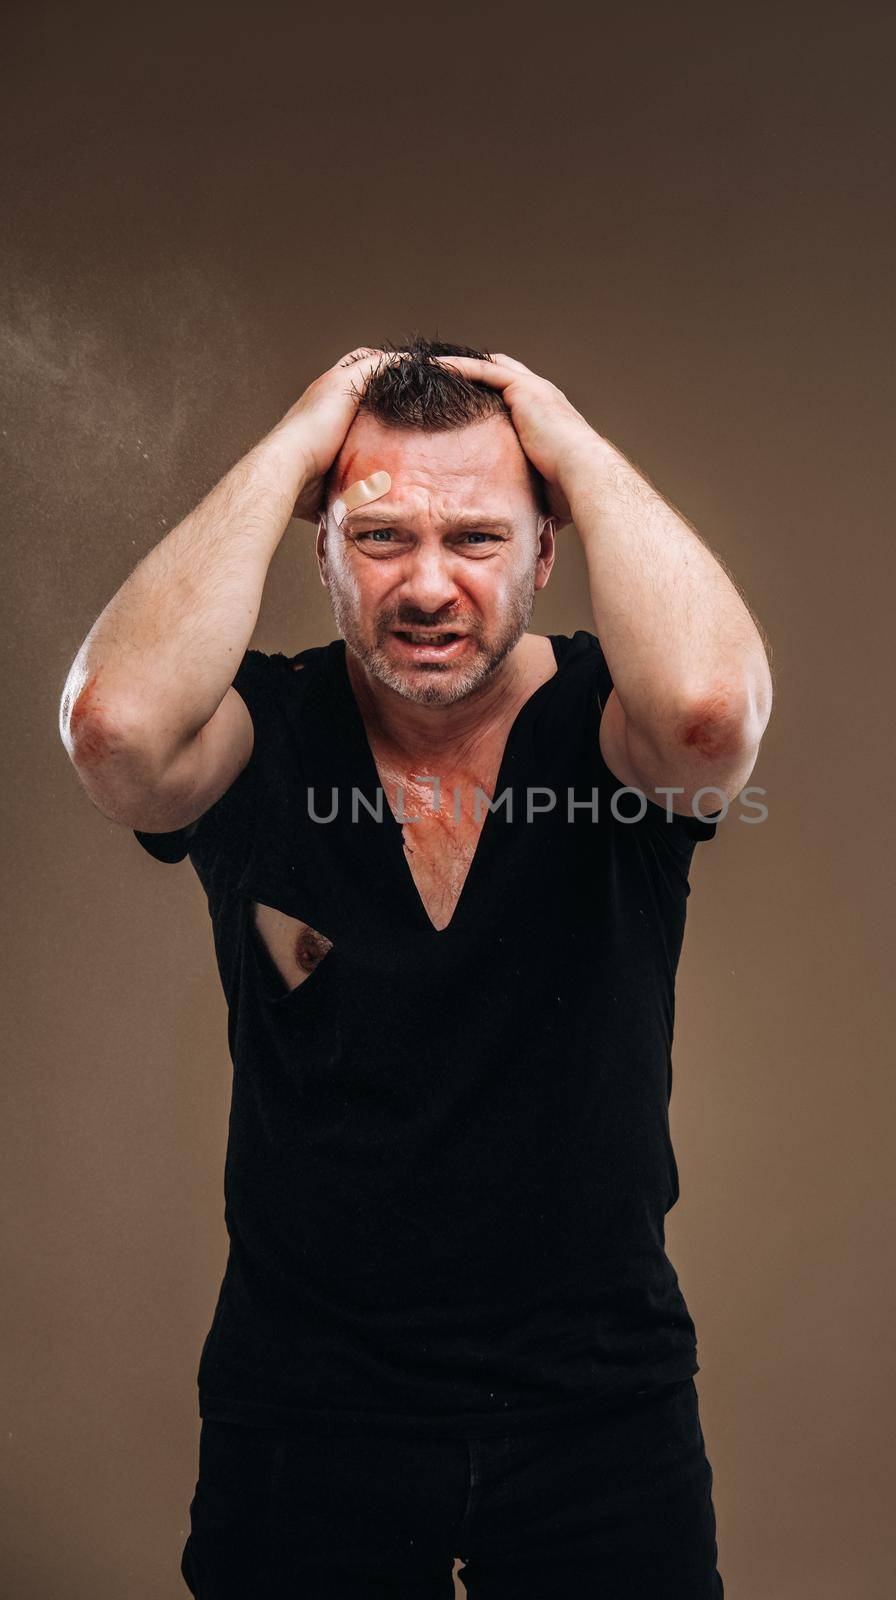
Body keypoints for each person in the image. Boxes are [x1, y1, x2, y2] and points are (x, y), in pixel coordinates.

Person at [60, 336, 772, 1597]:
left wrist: (567, 438)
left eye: (480, 540)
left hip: (597, 1415)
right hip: (305, 1416)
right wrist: (300, 435)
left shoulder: (620, 728)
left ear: (547, 551)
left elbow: (713, 712)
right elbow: (114, 734)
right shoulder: (257, 731)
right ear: (320, 549)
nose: (428, 584)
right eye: (380, 537)